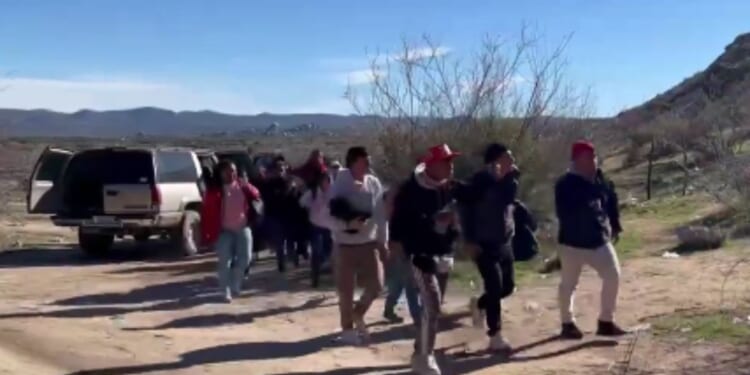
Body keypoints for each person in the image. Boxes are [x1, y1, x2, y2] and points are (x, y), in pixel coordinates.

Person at [390, 144, 461, 375]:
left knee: (433, 309)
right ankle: (425, 357)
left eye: (452, 161)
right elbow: (399, 226)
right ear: (432, 165)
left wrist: (453, 229)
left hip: (443, 254)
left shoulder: (449, 187)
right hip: (419, 255)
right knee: (432, 305)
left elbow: (455, 220)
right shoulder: (410, 190)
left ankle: (419, 352)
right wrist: (432, 222)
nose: (451, 166)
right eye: (446, 162)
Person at [555, 140, 627, 339]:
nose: (593, 161)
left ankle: (606, 321)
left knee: (613, 275)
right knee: (568, 285)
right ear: (576, 160)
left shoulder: (600, 180)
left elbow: (611, 201)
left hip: (599, 240)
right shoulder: (565, 184)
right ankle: (567, 323)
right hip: (572, 243)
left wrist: (615, 224)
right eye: (588, 157)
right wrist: (589, 187)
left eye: (594, 157)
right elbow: (567, 211)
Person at [324, 146, 388, 345]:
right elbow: (326, 217)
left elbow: (380, 215)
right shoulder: (338, 186)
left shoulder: (373, 183)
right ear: (353, 162)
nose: (368, 164)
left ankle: (358, 312)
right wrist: (346, 225)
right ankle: (347, 330)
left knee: (377, 284)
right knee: (346, 290)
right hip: (344, 245)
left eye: (369, 160)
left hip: (369, 243)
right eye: (364, 160)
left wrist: (383, 241)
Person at [461, 143, 519, 353]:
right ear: (495, 161)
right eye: (507, 158)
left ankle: (480, 304)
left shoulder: (507, 181)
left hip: (503, 241)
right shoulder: (480, 181)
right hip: (483, 242)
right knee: (494, 286)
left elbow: (508, 201)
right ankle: (495, 335)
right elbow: (466, 210)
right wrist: (469, 239)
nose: (512, 162)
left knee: (507, 287)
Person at [200, 160, 262, 302]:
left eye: (233, 170)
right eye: (227, 171)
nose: (231, 174)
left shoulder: (242, 186)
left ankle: (235, 283)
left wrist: (248, 186)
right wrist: (207, 235)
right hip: (224, 231)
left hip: (243, 227)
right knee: (224, 262)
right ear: (220, 173)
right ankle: (225, 291)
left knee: (246, 258)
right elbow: (207, 214)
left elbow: (256, 194)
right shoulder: (215, 191)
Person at [382, 186, 421, 325]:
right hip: (400, 249)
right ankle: (417, 315)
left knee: (399, 283)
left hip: (403, 249)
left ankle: (389, 309)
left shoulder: (401, 211)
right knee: (409, 284)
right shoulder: (395, 213)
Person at [300, 172, 334, 287]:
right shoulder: (313, 192)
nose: (325, 183)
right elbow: (302, 202)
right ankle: (315, 277)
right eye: (323, 180)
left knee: (329, 252)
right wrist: (310, 205)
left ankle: (326, 269)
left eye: (327, 180)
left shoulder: (334, 193)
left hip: (330, 227)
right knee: (316, 251)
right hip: (316, 226)